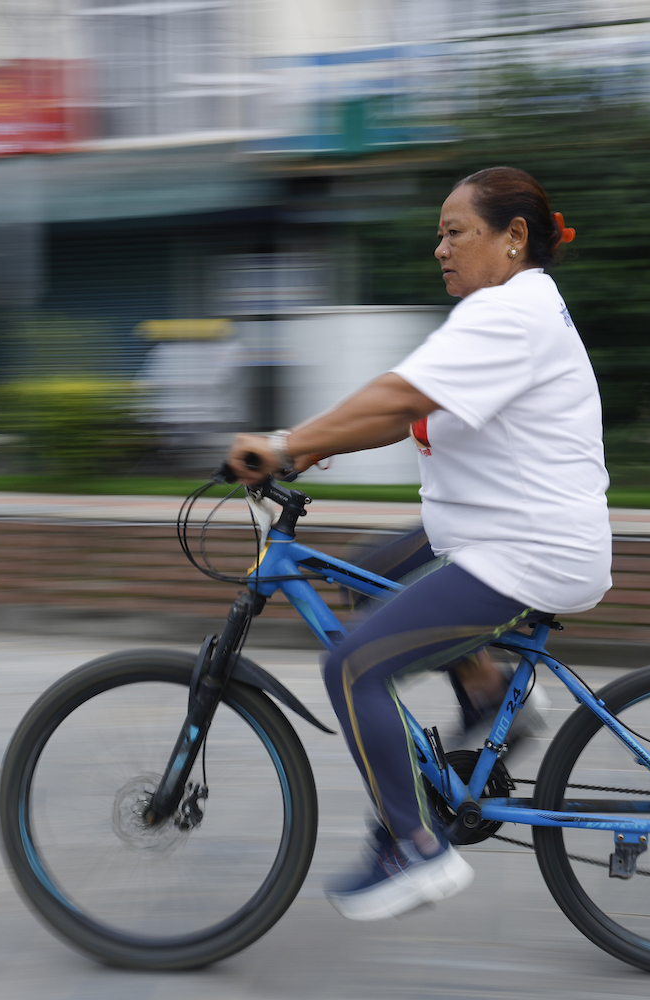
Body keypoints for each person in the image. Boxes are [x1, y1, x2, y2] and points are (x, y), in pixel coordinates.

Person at [226, 166, 612, 922]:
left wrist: (284, 441)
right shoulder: (502, 310)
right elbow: (406, 411)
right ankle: (489, 688)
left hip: (527, 548)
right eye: (439, 233)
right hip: (488, 532)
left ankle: (415, 849)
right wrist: (302, 450)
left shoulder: (508, 315)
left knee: (353, 664)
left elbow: (400, 395)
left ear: (513, 238)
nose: (439, 247)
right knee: (358, 576)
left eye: (455, 232)